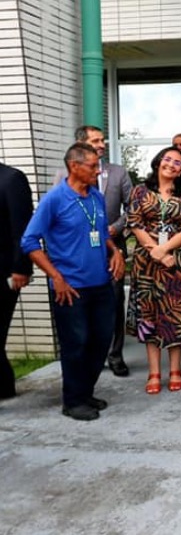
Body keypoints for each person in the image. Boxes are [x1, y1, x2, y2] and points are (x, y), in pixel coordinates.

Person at [21, 143, 126, 420]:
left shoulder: (95, 197)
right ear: (74, 166)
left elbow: (100, 231)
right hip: (71, 287)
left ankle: (85, 392)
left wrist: (115, 252)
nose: (97, 170)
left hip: (100, 283)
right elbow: (30, 242)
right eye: (92, 166)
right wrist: (56, 276)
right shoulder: (54, 199)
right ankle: (73, 401)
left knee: (100, 340)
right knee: (76, 343)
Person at [54, 125, 134, 377]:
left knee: (113, 303)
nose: (102, 144)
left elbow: (132, 208)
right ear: (82, 146)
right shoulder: (62, 176)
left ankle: (115, 355)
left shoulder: (118, 172)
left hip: (112, 249)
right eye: (96, 140)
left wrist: (115, 228)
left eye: (103, 140)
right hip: (79, 254)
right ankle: (92, 358)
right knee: (84, 307)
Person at [126, 147, 181, 394]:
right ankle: (154, 372)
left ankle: (176, 370)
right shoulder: (140, 191)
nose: (171, 164)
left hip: (177, 262)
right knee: (150, 316)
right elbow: (134, 223)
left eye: (177, 162)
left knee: (175, 315)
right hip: (146, 263)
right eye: (167, 159)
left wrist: (165, 249)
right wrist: (154, 250)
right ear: (158, 162)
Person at [0, 161, 33, 402]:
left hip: (5, 273)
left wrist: (21, 268)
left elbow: (23, 229)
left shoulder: (11, 179)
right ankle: (4, 386)